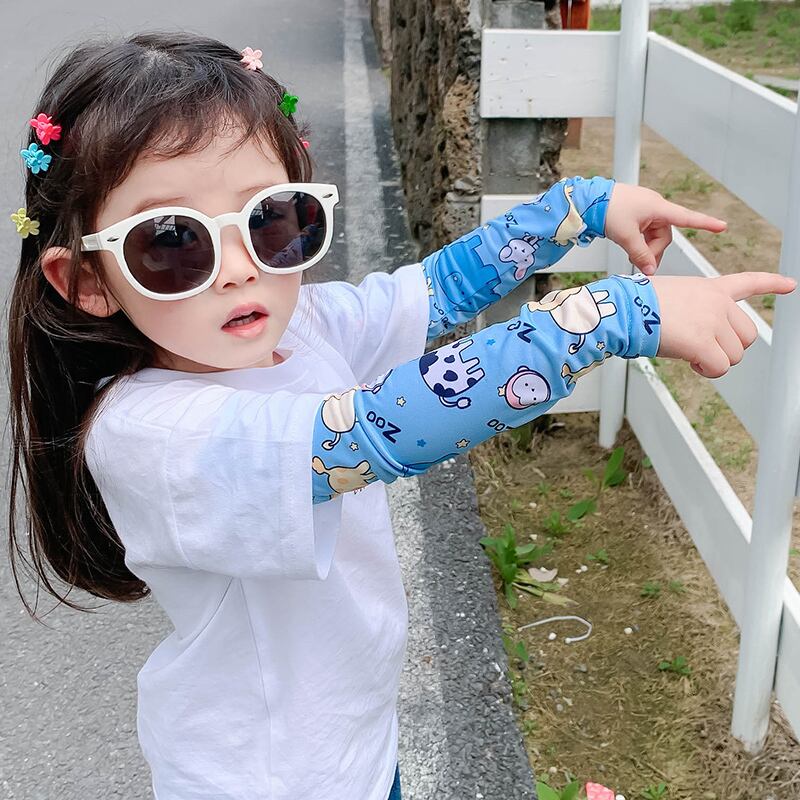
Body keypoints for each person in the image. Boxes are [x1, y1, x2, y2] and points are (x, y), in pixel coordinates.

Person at [6, 31, 794, 800]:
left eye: (271, 218)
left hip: (354, 745)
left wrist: (576, 208)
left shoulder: (297, 327)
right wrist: (604, 317)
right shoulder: (152, 436)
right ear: (87, 283)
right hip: (262, 778)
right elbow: (369, 431)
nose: (241, 268)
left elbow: (435, 290)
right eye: (173, 241)